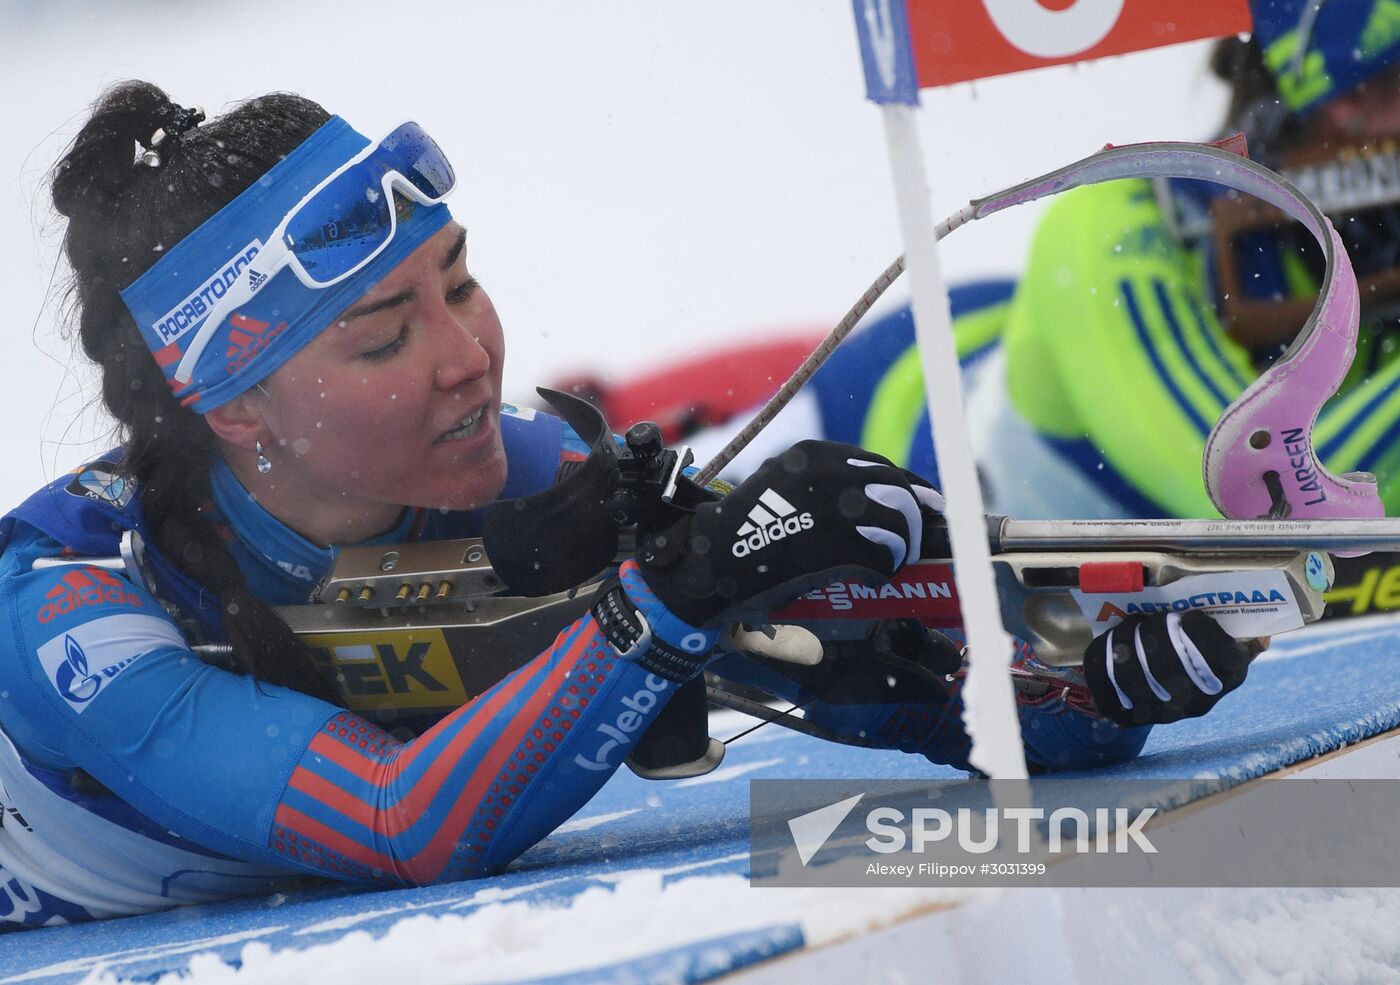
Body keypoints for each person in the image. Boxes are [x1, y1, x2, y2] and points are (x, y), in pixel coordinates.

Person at [0, 80, 1244, 931]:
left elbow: (926, 701)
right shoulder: (71, 610)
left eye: (461, 280)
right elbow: (400, 825)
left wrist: (1078, 691)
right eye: (383, 337)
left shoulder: (520, 469)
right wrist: (674, 596)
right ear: (235, 411)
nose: (465, 356)